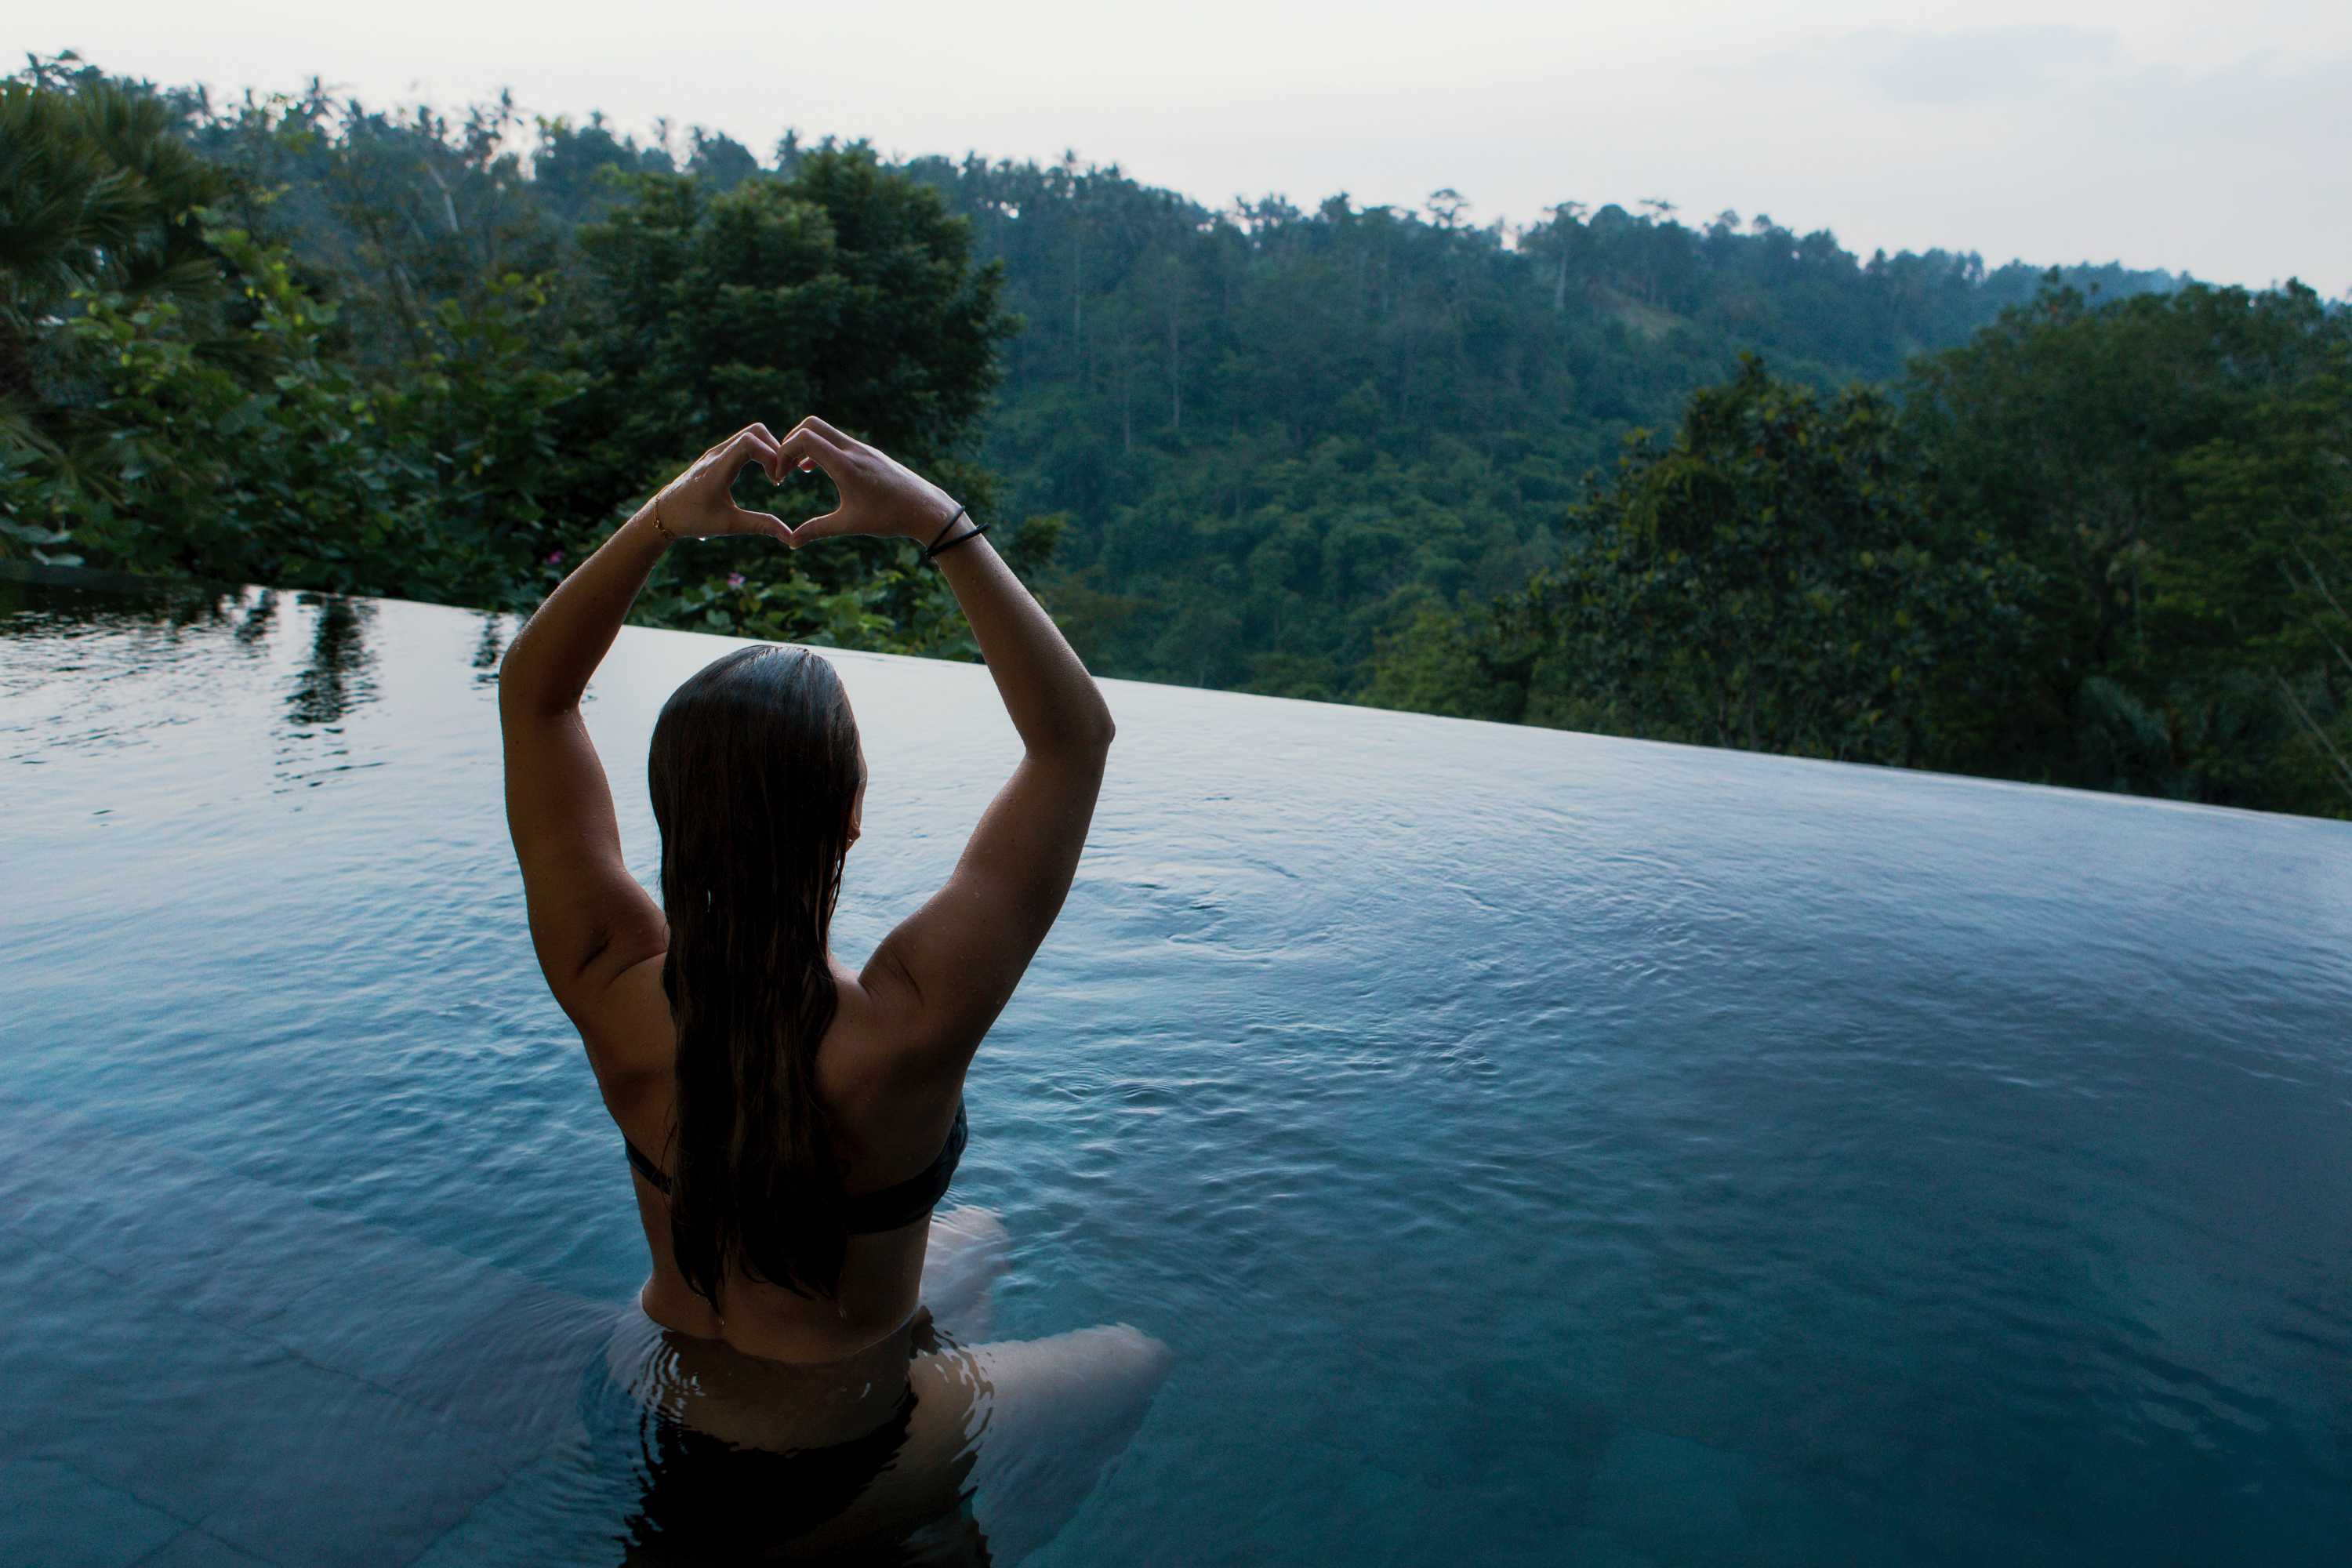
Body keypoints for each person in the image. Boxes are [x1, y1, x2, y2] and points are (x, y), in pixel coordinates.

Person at [498, 418, 1168, 1561]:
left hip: (639, 1394)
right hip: (829, 1456)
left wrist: (664, 519)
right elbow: (1074, 743)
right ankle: (903, 1525)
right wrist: (937, 523)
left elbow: (534, 696)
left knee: (984, 1238)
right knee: (1137, 1360)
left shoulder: (608, 978)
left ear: (669, 815)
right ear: (851, 815)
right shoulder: (909, 1020)